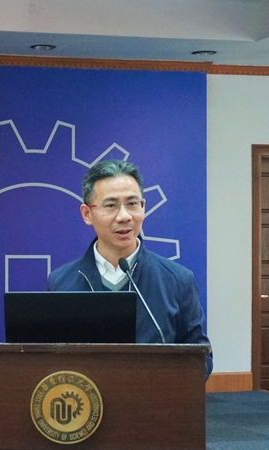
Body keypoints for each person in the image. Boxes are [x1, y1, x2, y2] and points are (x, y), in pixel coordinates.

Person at [47, 159, 213, 378]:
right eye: (111, 205)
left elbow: (201, 359)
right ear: (87, 213)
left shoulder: (177, 280)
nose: (124, 216)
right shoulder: (61, 282)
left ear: (143, 207)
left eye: (132, 204)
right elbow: (49, 361)